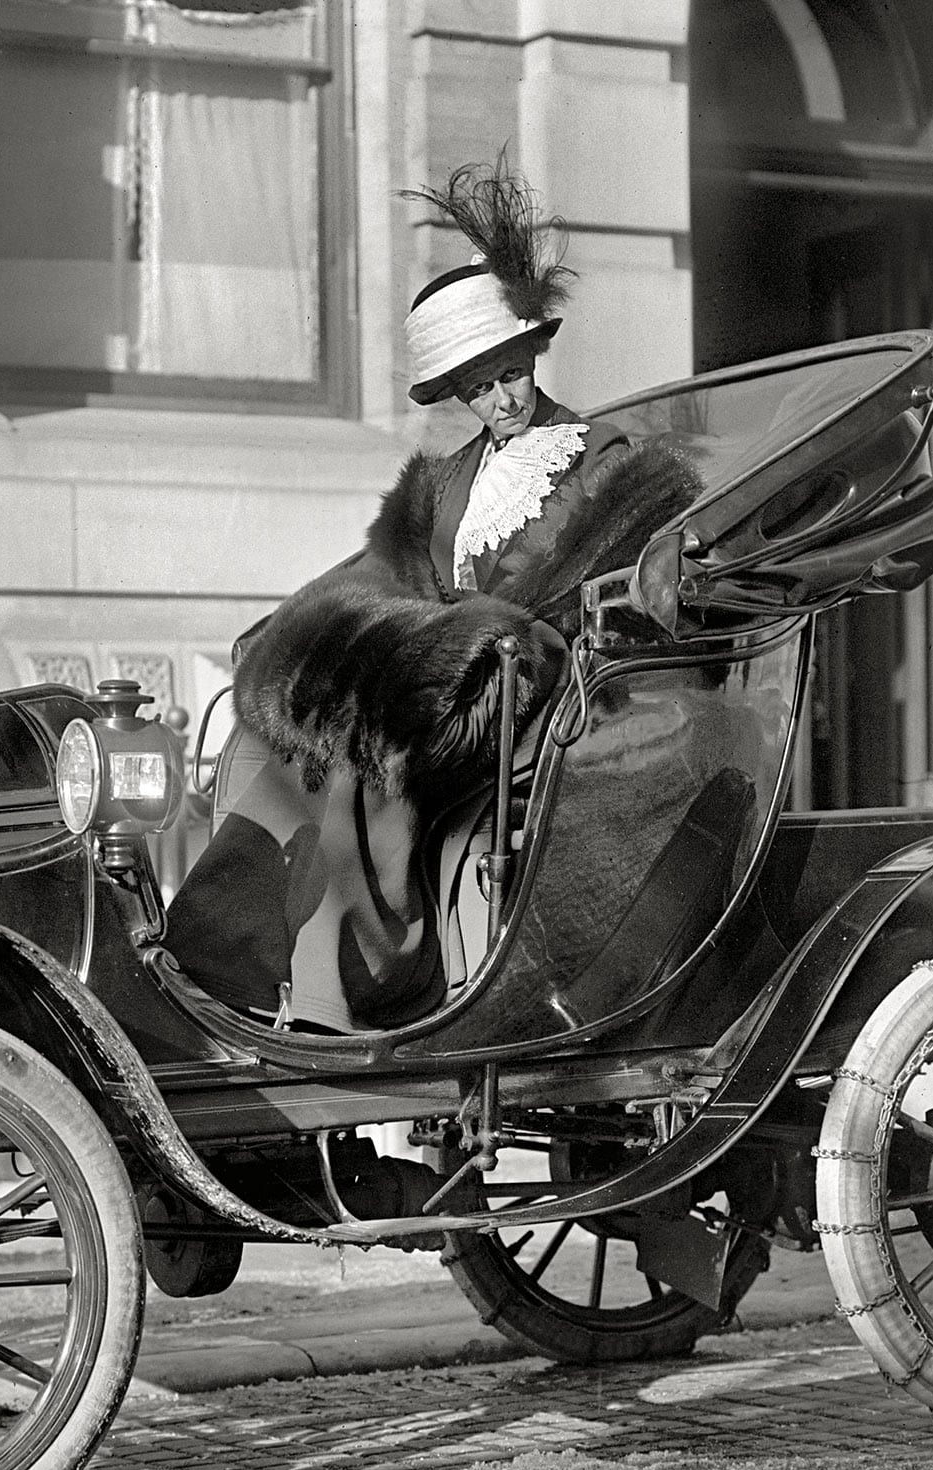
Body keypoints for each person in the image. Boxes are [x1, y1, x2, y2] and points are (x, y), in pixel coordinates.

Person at [166, 162, 701, 1032]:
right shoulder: (449, 480)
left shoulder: (604, 464)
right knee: (281, 754)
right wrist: (302, 633)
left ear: (534, 355)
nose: (500, 398)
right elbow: (388, 573)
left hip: (526, 695)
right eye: (477, 385)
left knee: (366, 770)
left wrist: (478, 643)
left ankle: (361, 993)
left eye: (508, 373)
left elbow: (603, 595)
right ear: (458, 394)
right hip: (437, 679)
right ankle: (229, 966)